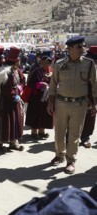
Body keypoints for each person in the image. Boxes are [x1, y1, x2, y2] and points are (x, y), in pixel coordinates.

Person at [47, 36, 97, 174]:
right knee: (59, 133)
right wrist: (50, 102)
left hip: (79, 104)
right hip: (61, 103)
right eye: (79, 47)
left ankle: (71, 160)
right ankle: (59, 155)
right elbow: (53, 84)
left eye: (83, 46)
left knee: (75, 134)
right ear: (69, 49)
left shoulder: (89, 64)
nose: (83, 49)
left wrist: (95, 104)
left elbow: (94, 85)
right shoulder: (59, 64)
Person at [0, 46, 25, 152]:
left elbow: (22, 81)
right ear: (15, 61)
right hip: (4, 102)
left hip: (14, 100)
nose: (20, 63)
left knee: (15, 120)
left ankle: (13, 142)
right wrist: (14, 96)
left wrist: (19, 89)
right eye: (18, 61)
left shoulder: (17, 71)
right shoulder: (4, 73)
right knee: (3, 121)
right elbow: (5, 89)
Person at [25, 53, 53, 139]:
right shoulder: (36, 71)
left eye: (47, 63)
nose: (45, 65)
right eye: (43, 63)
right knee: (36, 114)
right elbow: (30, 83)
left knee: (44, 114)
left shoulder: (51, 72)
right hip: (36, 97)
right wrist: (40, 84)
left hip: (46, 97)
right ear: (41, 63)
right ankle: (34, 132)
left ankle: (42, 131)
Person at [80, 46, 97, 148]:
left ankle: (85, 137)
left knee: (90, 118)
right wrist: (85, 98)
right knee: (77, 118)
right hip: (81, 97)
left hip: (93, 97)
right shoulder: (83, 68)